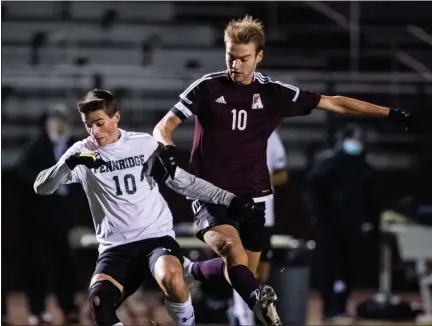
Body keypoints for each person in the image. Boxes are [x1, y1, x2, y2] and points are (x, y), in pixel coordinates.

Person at [152, 15, 416, 326]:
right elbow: (163, 126)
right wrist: (166, 148)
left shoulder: (274, 93)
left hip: (255, 199)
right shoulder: (207, 87)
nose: (235, 65)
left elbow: (335, 103)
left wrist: (388, 113)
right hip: (211, 195)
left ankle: (193, 270)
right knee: (232, 253)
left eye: (243, 58)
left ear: (259, 56)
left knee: (242, 275)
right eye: (230, 56)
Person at [33, 89, 258, 326]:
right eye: (88, 125)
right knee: (99, 302)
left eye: (99, 123)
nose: (94, 131)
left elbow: (183, 182)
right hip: (115, 247)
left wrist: (229, 199)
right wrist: (67, 164)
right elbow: (42, 187)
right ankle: (195, 269)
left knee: (172, 277)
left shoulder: (143, 144)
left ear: (116, 118)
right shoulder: (81, 151)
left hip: (155, 238)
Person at [16, 105, 81, 325]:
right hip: (39, 217)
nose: (59, 124)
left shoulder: (78, 145)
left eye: (63, 120)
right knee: (38, 265)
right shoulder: (37, 145)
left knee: (67, 265)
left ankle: (69, 306)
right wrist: (44, 185)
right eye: (54, 120)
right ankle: (38, 310)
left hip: (67, 217)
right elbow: (21, 171)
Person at [305, 124, 375, 321]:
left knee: (349, 266)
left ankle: (342, 305)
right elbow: (313, 188)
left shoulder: (363, 165)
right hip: (329, 224)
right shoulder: (329, 163)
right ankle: (328, 308)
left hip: (352, 223)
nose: (356, 144)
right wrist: (318, 215)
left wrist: (369, 220)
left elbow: (370, 196)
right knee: (328, 266)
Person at [231, 129, 288, 325]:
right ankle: (242, 317)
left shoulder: (270, 134)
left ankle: (248, 315)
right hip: (238, 211)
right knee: (243, 269)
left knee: (262, 273)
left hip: (265, 214)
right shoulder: (227, 134)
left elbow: (282, 174)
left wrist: (262, 179)